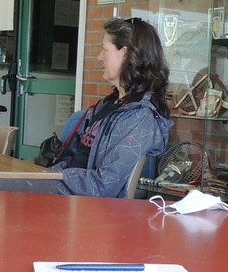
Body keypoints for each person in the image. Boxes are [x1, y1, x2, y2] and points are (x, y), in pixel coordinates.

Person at [52, 17, 171, 197]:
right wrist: (44, 175)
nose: (99, 58)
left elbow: (102, 186)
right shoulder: (107, 105)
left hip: (86, 206)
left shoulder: (140, 118)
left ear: (125, 54)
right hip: (66, 194)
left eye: (105, 49)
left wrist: (49, 181)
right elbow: (73, 158)